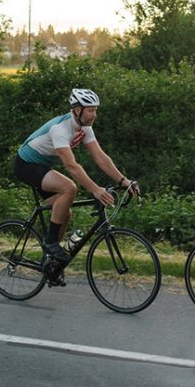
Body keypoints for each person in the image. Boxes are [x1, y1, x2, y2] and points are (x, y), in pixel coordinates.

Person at [13, 88, 140, 286]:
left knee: (65, 211)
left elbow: (100, 157)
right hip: (26, 165)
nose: (94, 115)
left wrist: (124, 180)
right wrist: (95, 189)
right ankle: (51, 243)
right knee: (69, 188)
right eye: (91, 110)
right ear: (77, 110)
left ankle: (51, 262)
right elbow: (71, 166)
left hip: (42, 166)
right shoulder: (60, 129)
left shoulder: (84, 128)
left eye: (96, 110)